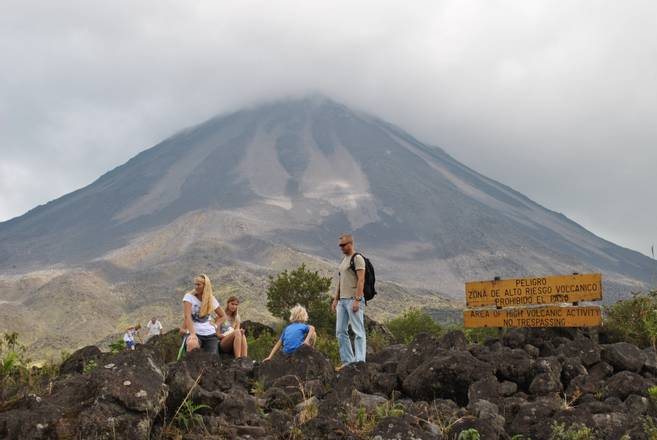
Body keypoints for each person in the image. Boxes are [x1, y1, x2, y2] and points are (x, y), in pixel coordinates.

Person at [331, 233, 366, 367]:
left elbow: (361, 279)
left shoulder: (357, 259)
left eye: (343, 245)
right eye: (340, 245)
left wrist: (357, 300)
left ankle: (360, 362)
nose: (341, 247)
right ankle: (348, 362)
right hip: (342, 301)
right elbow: (341, 281)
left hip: (353, 299)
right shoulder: (344, 260)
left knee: (358, 331)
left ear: (350, 244)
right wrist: (336, 299)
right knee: (340, 331)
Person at [182, 274, 226, 354]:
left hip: (210, 334)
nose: (196, 286)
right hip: (195, 332)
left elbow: (223, 316)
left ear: (205, 286)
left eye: (198, 284)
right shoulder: (189, 297)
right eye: (195, 284)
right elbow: (187, 316)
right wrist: (192, 334)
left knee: (212, 359)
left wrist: (216, 325)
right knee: (192, 344)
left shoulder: (211, 299)